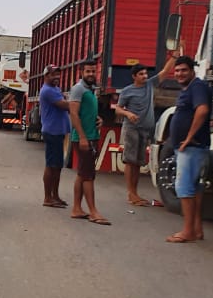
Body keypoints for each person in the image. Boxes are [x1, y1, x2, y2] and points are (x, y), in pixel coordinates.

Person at [113, 54, 177, 206]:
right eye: (141, 74)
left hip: (145, 130)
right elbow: (118, 109)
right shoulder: (127, 91)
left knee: (138, 163)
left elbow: (164, 72)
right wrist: (128, 114)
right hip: (132, 129)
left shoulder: (149, 85)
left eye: (145, 73)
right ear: (134, 76)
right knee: (130, 161)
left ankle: (135, 193)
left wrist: (174, 56)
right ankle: (131, 194)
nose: (144, 76)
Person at [166, 56, 211, 243]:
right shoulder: (188, 88)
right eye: (177, 71)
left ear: (192, 70)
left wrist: (189, 138)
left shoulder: (197, 86)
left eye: (183, 70)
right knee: (194, 188)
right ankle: (196, 229)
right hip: (187, 147)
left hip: (191, 147)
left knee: (183, 188)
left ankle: (187, 232)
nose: (179, 74)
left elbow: (202, 110)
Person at [69, 60, 110, 225]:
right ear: (81, 72)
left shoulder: (90, 90)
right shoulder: (78, 89)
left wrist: (98, 119)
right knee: (88, 176)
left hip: (91, 136)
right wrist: (83, 137)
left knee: (82, 174)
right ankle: (93, 211)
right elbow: (73, 114)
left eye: (93, 71)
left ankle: (77, 209)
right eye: (88, 71)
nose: (91, 74)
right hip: (83, 138)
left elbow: (86, 112)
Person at [38, 64, 70, 207]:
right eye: (53, 75)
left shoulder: (55, 89)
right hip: (52, 131)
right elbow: (65, 105)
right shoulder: (48, 91)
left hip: (58, 131)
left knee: (57, 166)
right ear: (46, 76)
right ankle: (47, 197)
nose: (56, 77)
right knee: (51, 165)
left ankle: (55, 196)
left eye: (58, 74)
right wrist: (76, 102)